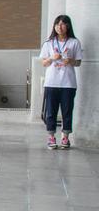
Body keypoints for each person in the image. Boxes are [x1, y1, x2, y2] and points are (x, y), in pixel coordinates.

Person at [40, 14, 83, 149]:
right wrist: (52, 58)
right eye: (57, 24)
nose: (60, 27)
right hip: (51, 83)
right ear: (54, 26)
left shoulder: (74, 42)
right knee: (51, 112)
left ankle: (65, 138)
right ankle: (51, 137)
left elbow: (78, 63)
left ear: (68, 26)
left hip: (68, 84)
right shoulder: (48, 43)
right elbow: (44, 63)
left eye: (63, 24)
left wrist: (70, 61)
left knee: (67, 111)